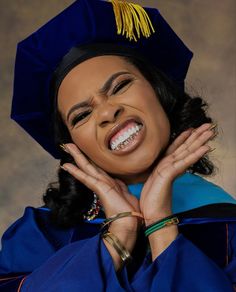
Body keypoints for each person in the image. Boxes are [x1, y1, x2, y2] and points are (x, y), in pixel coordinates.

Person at [0, 0, 235, 291]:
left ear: (159, 91)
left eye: (120, 86)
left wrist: (160, 223)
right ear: (73, 146)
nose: (107, 113)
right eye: (82, 115)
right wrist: (120, 234)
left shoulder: (227, 224)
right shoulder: (39, 234)